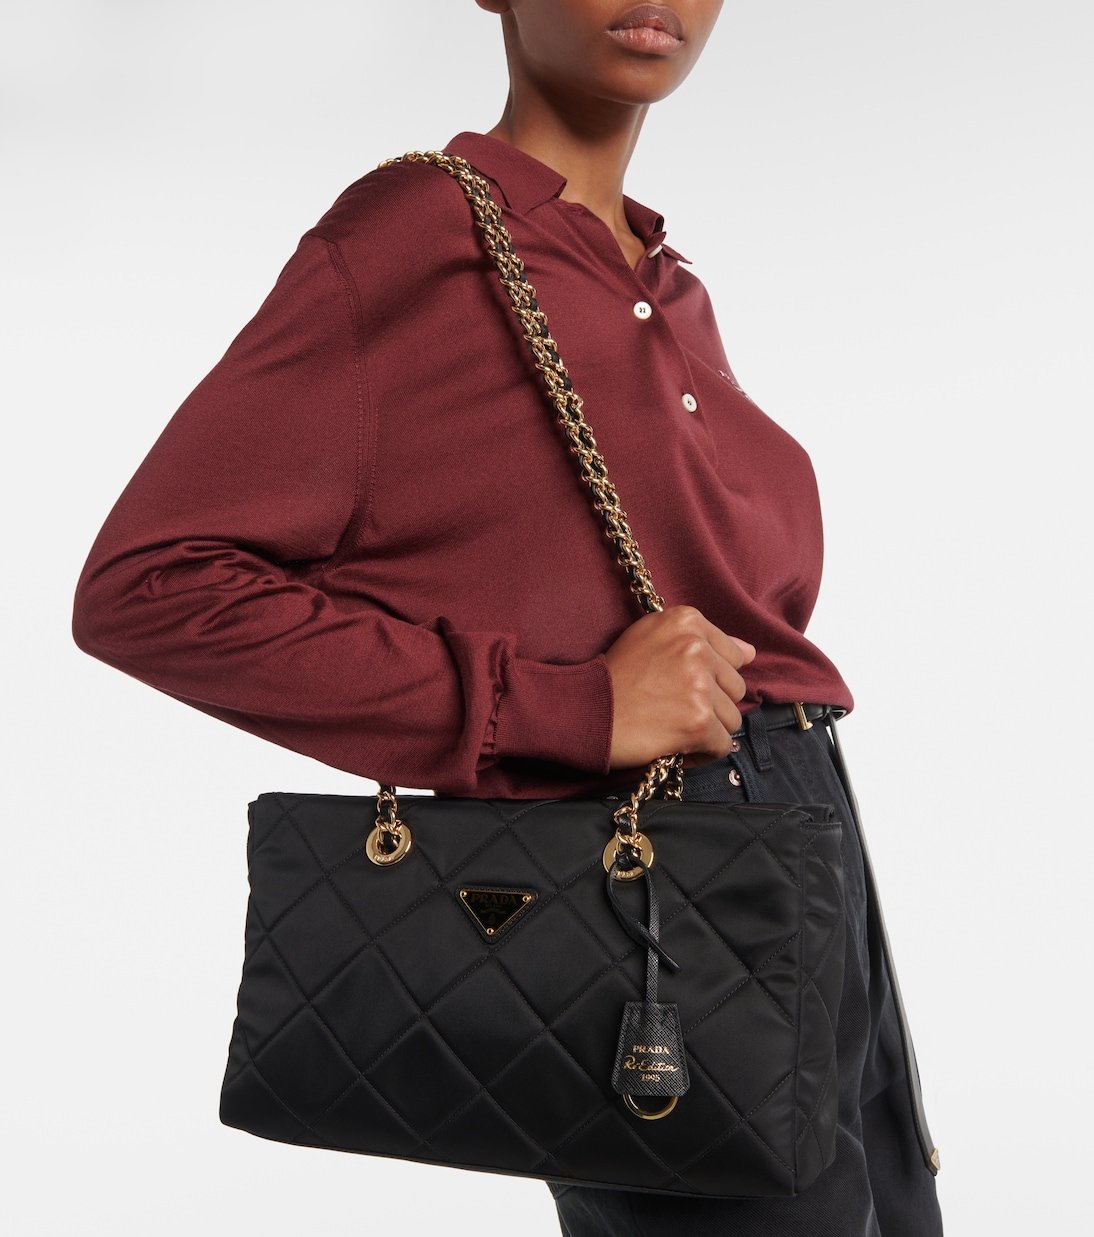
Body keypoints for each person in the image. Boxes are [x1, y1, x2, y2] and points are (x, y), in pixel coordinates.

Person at [71, 1, 944, 1233]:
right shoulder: (414, 234)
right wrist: (566, 708)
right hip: (654, 872)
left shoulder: (665, 279)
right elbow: (150, 586)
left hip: (807, 837)